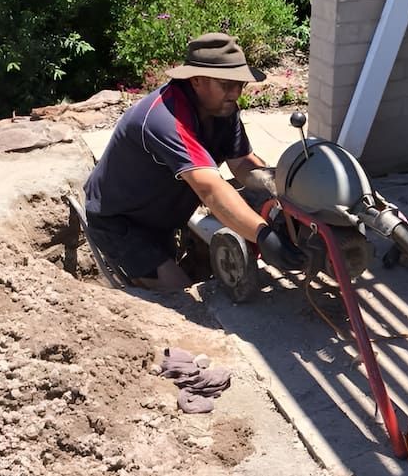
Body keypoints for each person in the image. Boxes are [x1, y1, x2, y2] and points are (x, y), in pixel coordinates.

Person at [83, 32, 303, 291]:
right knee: (179, 293)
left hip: (163, 216)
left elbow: (242, 164)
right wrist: (263, 235)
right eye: (226, 84)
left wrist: (278, 187)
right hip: (121, 222)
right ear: (196, 80)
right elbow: (209, 188)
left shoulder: (223, 110)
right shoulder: (165, 119)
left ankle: (182, 245)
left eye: (240, 85)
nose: (235, 93)